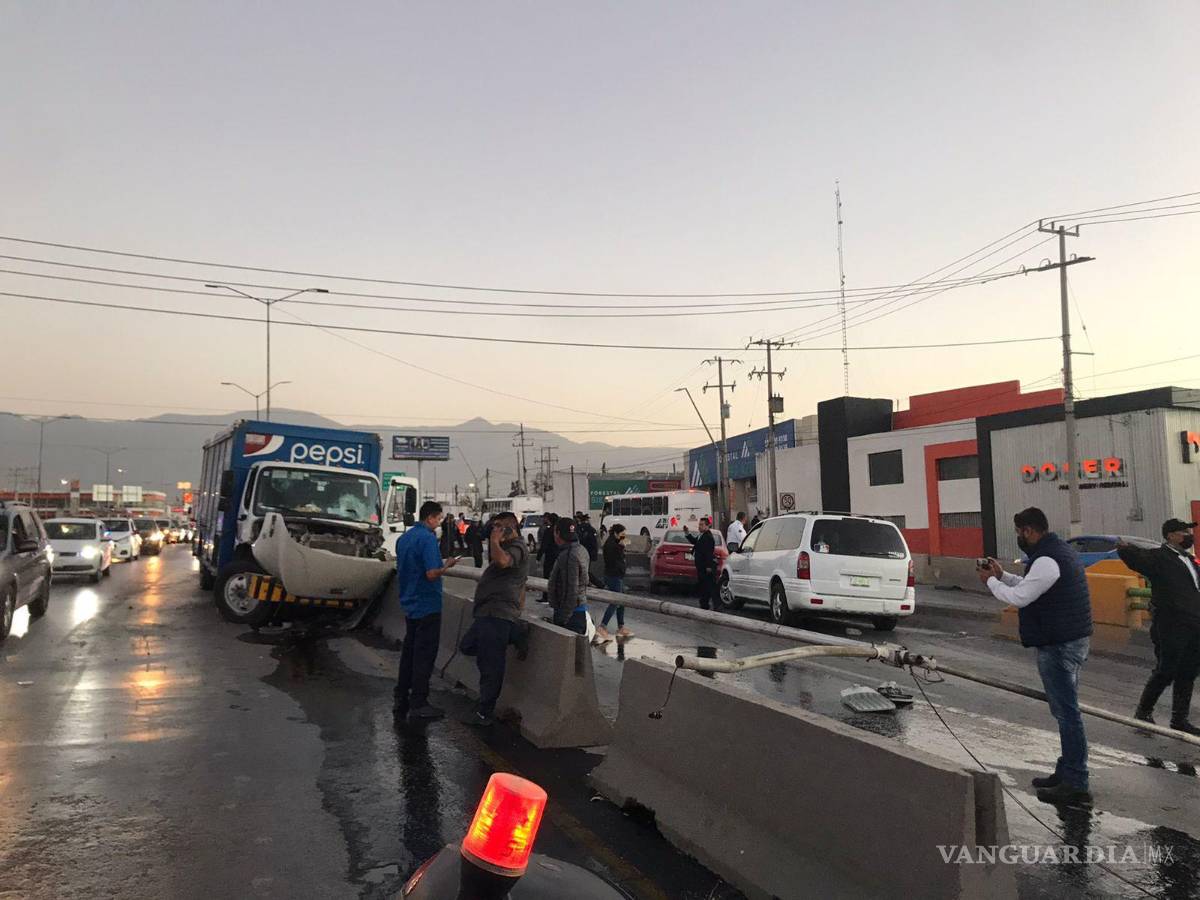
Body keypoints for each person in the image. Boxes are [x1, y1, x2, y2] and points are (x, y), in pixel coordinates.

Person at [978, 507, 1093, 804]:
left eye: (1019, 532)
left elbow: (1021, 597)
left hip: (1060, 645)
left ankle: (1076, 781)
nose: (1018, 537)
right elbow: (1032, 586)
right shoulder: (1057, 552)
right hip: (1068, 640)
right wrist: (1004, 575)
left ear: (1028, 530)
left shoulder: (1047, 559)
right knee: (1066, 712)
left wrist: (990, 582)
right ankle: (1066, 771)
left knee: (1067, 715)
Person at [1116, 519, 1200, 735]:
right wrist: (1124, 548)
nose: (1188, 535)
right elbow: (1137, 559)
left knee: (1188, 670)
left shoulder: (1189, 560)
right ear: (1171, 535)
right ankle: (1143, 711)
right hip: (1172, 623)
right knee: (1166, 669)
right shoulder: (1160, 558)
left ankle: (1179, 719)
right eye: (1184, 532)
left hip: (1194, 623)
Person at [459, 511, 530, 727]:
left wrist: (494, 541)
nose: (494, 529)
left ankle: (484, 712)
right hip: (487, 612)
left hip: (498, 614)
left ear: (509, 529)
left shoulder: (517, 546)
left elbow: (503, 562)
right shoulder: (505, 545)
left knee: (492, 666)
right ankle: (516, 632)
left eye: (499, 526)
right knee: (467, 646)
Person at [393, 501, 459, 721]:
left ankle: (401, 696)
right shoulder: (428, 539)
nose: (439, 523)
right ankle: (419, 702)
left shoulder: (404, 539)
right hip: (427, 603)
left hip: (410, 602)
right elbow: (431, 573)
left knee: (409, 653)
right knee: (424, 655)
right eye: (438, 519)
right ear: (430, 517)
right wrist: (447, 565)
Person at [548, 516, 590, 634]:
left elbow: (571, 588)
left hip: (571, 615)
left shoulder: (568, 555)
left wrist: (563, 617)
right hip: (579, 609)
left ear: (558, 533)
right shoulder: (581, 550)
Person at [597, 524, 633, 641]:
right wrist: (621, 547)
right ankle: (602, 626)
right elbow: (613, 559)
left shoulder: (616, 542)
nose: (624, 537)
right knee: (615, 601)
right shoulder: (611, 544)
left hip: (617, 575)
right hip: (613, 576)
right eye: (622, 534)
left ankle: (620, 626)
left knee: (621, 601)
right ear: (616, 533)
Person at [686, 517, 719, 611]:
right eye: (699, 525)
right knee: (705, 585)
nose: (699, 527)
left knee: (709, 586)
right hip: (701, 565)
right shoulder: (701, 535)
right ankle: (705, 603)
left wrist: (708, 566)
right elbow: (695, 542)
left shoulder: (708, 537)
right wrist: (687, 534)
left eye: (702, 525)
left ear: (707, 526)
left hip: (705, 566)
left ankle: (713, 604)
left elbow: (709, 553)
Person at [536, 512, 560, 601]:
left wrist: (538, 557)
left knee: (547, 576)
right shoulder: (558, 530)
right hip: (559, 555)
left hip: (550, 556)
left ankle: (546, 597)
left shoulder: (549, 530)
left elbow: (544, 545)